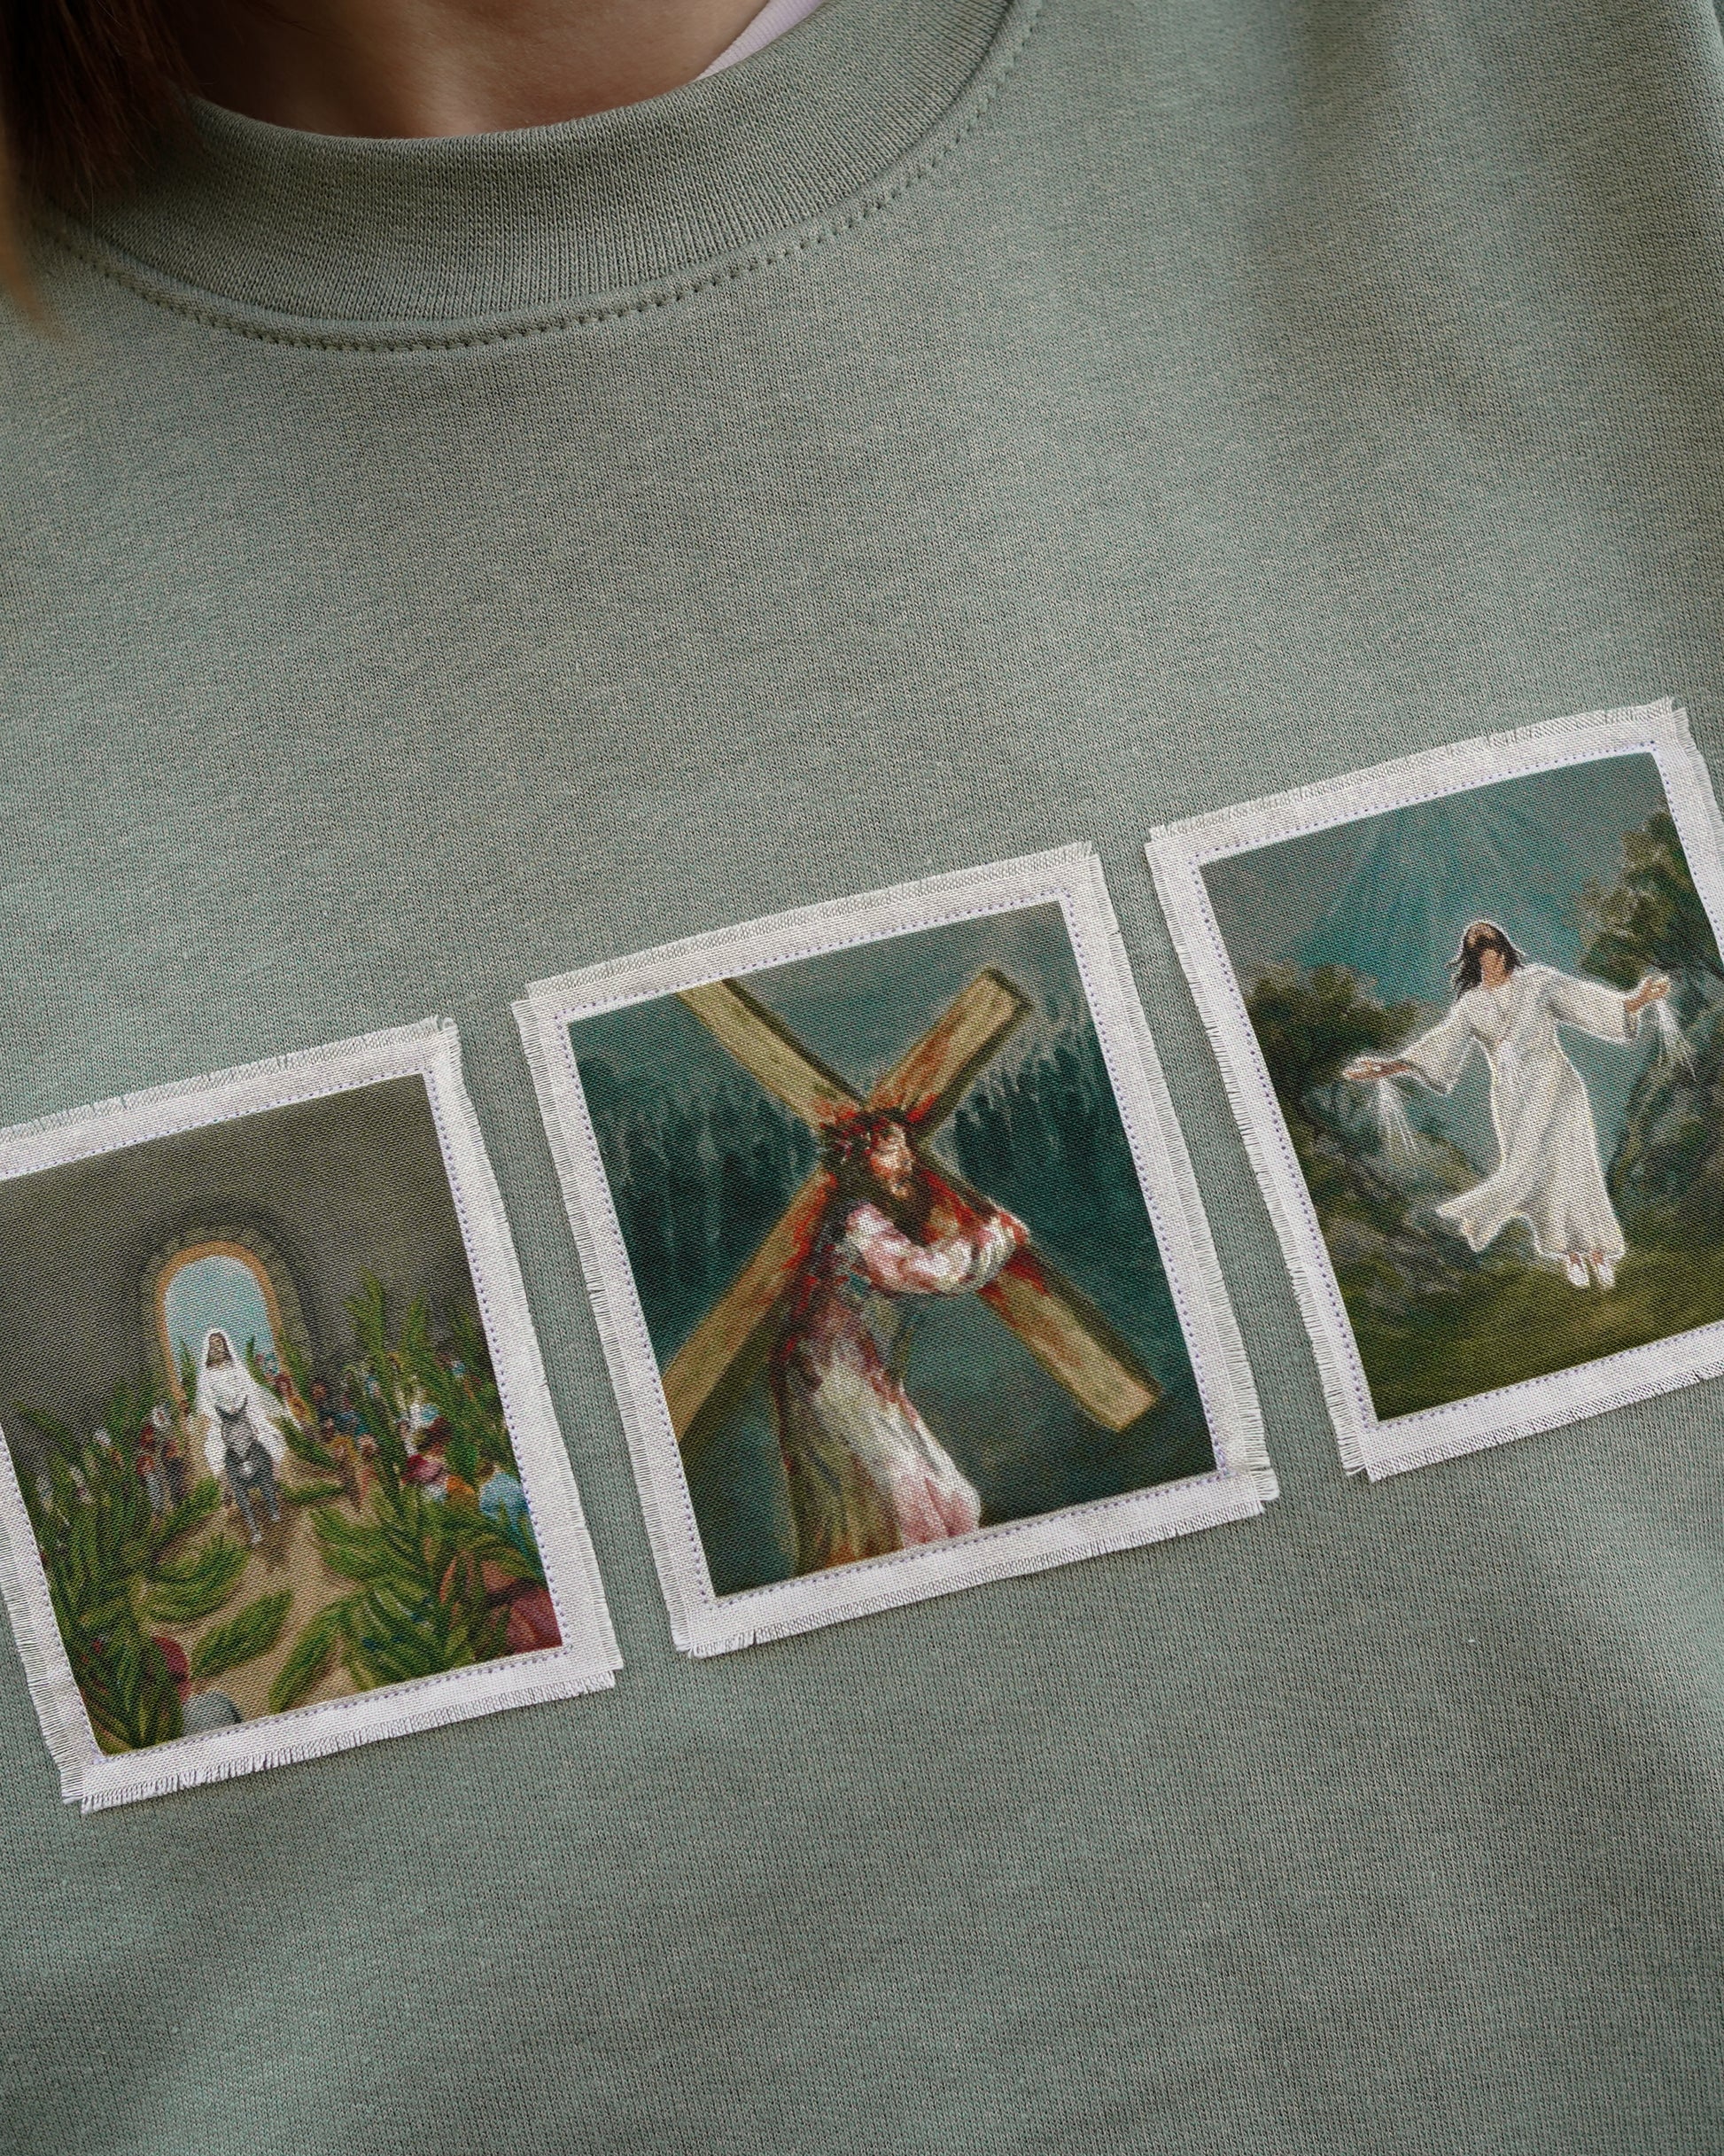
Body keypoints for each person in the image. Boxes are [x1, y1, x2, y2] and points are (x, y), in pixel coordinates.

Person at [1347, 921, 1671, 1289]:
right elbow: (1441, 1044)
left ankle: (1598, 1252)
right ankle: (1570, 1254)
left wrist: (1638, 1000)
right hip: (1513, 1097)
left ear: (1504, 949)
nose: (1490, 957)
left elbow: (1586, 1003)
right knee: (1532, 1171)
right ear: (1472, 959)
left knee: (1576, 1166)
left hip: (1557, 1084)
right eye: (1479, 952)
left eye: (1493, 948)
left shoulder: (1538, 980)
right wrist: (1389, 1067)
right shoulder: (1471, 1005)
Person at [771, 1108, 1026, 1571]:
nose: (908, 1159)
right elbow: (923, 1271)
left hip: (864, 1380)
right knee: (897, 1500)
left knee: (944, 1496)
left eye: (908, 1147)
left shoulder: (873, 1219)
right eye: (892, 1149)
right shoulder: (856, 1218)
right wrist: (996, 1235)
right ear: (859, 1161)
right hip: (829, 1380)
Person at [194, 1329, 286, 1545]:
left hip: (244, 1412)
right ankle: (227, 1486)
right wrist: (220, 1414)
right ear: (209, 1348)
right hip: (222, 1418)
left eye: (220, 1343)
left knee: (268, 1436)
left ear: (226, 1345)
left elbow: (250, 1389)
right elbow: (205, 1401)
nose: (217, 1347)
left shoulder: (237, 1367)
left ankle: (273, 1476)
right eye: (213, 1344)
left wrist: (241, 1407)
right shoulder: (205, 1375)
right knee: (213, 1448)